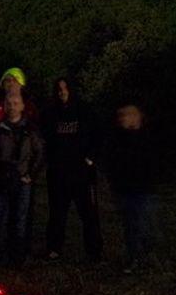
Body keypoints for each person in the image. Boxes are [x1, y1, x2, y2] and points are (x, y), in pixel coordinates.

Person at [40, 77, 103, 263]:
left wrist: (90, 158)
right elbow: (43, 138)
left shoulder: (86, 110)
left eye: (66, 88)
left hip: (82, 172)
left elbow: (98, 135)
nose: (63, 92)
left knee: (88, 213)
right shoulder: (50, 112)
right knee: (57, 212)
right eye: (59, 89)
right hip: (58, 172)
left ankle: (94, 251)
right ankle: (54, 248)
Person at [0, 89, 45, 266]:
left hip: (22, 181)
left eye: (16, 103)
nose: (12, 107)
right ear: (4, 106)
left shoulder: (30, 129)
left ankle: (18, 256)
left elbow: (39, 153)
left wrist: (31, 175)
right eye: (9, 104)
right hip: (0, 181)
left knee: (20, 219)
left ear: (23, 106)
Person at [104, 101, 160, 273]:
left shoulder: (146, 138)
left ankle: (146, 257)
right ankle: (135, 258)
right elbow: (111, 161)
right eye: (121, 115)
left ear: (137, 117)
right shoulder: (118, 138)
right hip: (124, 189)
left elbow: (153, 162)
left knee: (143, 225)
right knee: (130, 225)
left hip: (143, 189)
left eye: (126, 115)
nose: (122, 118)